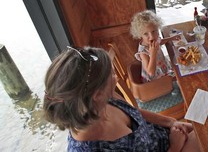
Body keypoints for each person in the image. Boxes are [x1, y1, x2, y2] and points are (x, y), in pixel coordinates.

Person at [43, 46, 199, 152]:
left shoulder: (103, 100)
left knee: (205, 129)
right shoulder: (93, 148)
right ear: (97, 94)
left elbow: (135, 112)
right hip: (172, 146)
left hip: (165, 134)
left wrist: (171, 122)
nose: (116, 78)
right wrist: (175, 146)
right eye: (112, 74)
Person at [130, 10, 181, 82]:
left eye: (154, 31)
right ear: (140, 35)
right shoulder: (143, 52)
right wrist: (153, 54)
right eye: (146, 34)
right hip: (155, 80)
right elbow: (151, 73)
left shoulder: (155, 41)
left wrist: (171, 38)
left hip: (163, 68)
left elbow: (160, 42)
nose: (152, 37)